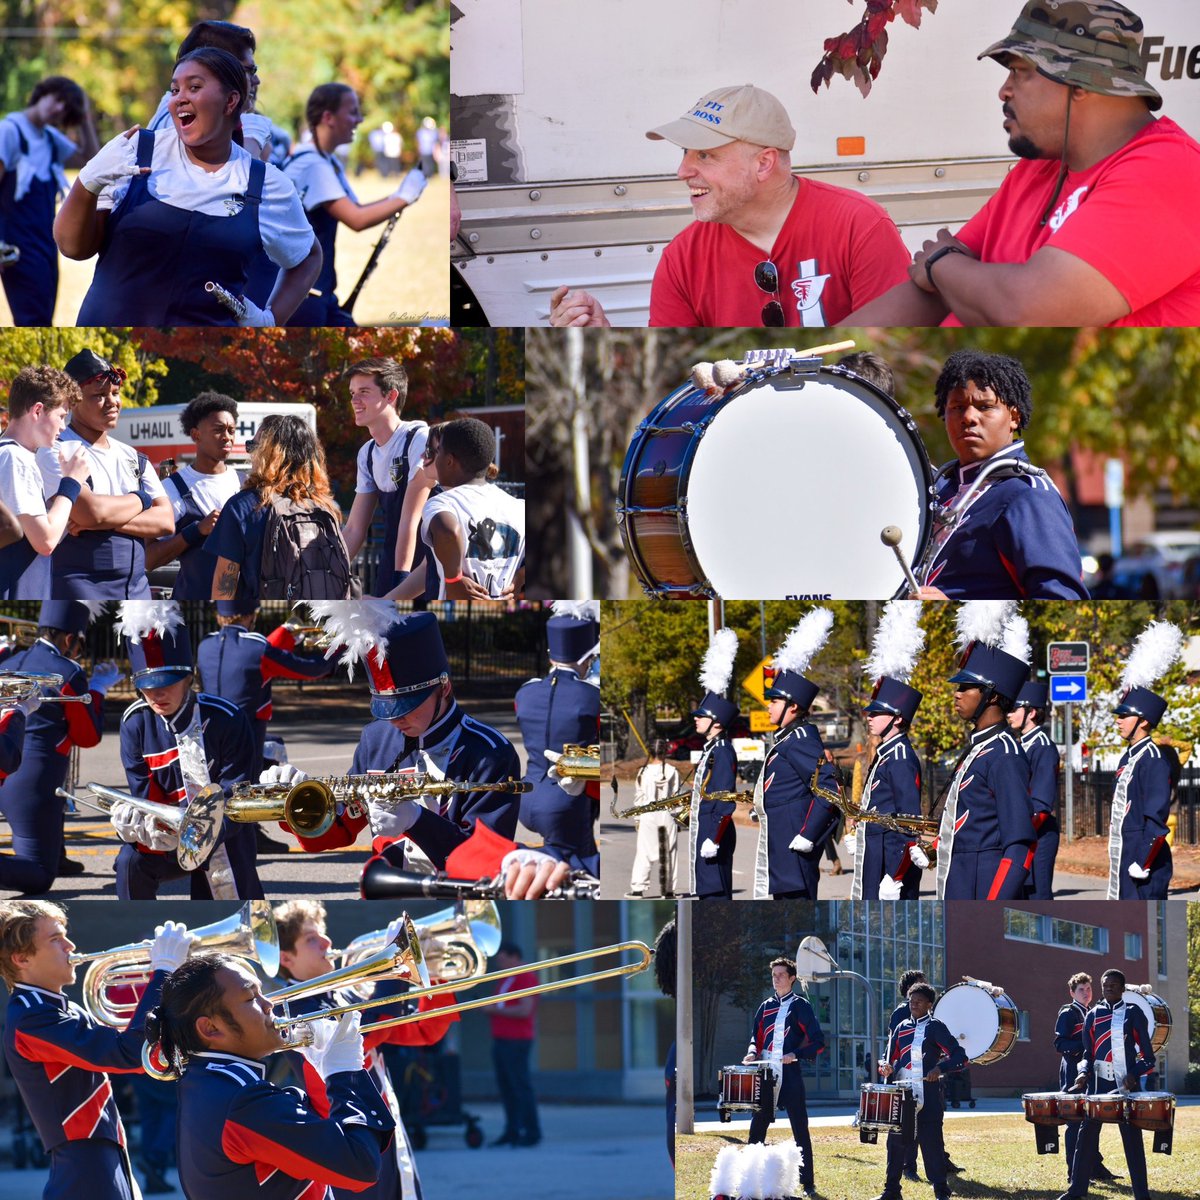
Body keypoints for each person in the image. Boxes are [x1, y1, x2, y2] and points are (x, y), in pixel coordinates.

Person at [846, 1, 1200, 328]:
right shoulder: (1040, 169)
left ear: (1080, 81)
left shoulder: (1170, 170)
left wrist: (941, 264)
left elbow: (1027, 309)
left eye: (1020, 71)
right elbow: (931, 292)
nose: (1005, 90)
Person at [549, 84, 908, 328]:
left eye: (705, 155)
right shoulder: (682, 259)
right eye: (685, 154)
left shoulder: (860, 226)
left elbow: (885, 357)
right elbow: (681, 381)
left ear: (764, 163)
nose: (683, 171)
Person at [54, 48, 320, 326]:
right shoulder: (134, 151)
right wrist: (87, 183)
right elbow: (73, 248)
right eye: (174, 89)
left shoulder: (266, 184)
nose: (179, 98)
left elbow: (308, 256)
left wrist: (270, 321)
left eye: (194, 87)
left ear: (230, 101)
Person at [264, 604, 522, 877]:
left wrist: (418, 821)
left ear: (444, 686)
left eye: (408, 704)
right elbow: (337, 831)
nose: (396, 719)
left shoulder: (490, 753)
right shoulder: (376, 738)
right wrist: (301, 802)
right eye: (387, 706)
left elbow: (488, 863)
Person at [149, 953, 395, 1200]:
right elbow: (360, 1167)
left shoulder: (209, 1081)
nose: (268, 1005)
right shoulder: (243, 1101)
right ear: (210, 1028)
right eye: (250, 998)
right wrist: (346, 1073)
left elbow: (323, 1136)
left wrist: (321, 1069)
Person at [0, 900, 194, 1200]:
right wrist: (163, 973)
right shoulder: (32, 1018)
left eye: (65, 934)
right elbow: (130, 1053)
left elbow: (142, 1054)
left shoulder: (58, 1006)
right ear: (21, 958)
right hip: (84, 1166)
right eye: (55, 939)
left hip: (103, 1155)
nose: (70, 945)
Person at [272, 900, 457, 1200]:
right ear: (286, 958)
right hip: (347, 1134)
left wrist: (435, 973)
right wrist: (395, 969)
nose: (327, 942)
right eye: (311, 939)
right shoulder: (291, 1008)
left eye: (323, 933)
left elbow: (424, 1031)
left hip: (385, 1129)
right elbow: (368, 1031)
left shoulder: (344, 993)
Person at [113, 600, 262, 901]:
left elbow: (237, 798)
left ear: (189, 677)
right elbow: (144, 796)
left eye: (167, 682)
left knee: (231, 893)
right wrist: (138, 824)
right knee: (130, 863)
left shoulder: (226, 719)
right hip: (166, 836)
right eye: (146, 684)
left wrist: (197, 832)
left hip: (224, 835)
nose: (156, 694)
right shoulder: (135, 724)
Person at [914, 351, 1088, 599]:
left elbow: (1062, 604)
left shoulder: (1029, 495)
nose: (968, 418)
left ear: (1014, 417)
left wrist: (954, 612)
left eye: (985, 407)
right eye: (957, 407)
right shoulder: (943, 488)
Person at [268, 84, 426, 325]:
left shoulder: (325, 160)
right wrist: (404, 197)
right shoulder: (313, 165)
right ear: (328, 118)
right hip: (304, 293)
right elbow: (357, 219)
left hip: (316, 289)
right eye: (352, 112)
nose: (359, 119)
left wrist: (400, 195)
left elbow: (358, 209)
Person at [0, 602, 120, 892]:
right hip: (35, 780)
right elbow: (87, 736)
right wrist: (99, 690)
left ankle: (58, 854)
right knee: (40, 875)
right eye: (80, 642)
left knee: (46, 846)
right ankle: (50, 858)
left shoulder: (7, 663)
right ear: (70, 639)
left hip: (6, 770)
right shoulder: (68, 670)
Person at [918, 602, 1034, 900]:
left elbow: (1019, 845)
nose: (956, 694)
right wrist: (934, 847)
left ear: (992, 695)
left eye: (967, 687)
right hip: (960, 882)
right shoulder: (980, 747)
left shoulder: (1004, 754)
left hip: (984, 889)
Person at [37, 349, 173, 600]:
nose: (112, 402)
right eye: (99, 395)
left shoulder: (133, 456)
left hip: (137, 588)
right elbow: (90, 512)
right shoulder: (57, 448)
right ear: (72, 401)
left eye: (115, 393)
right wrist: (141, 500)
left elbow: (166, 521)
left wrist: (100, 521)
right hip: (77, 584)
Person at [206, 413, 353, 606]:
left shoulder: (242, 507)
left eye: (252, 446)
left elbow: (224, 586)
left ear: (267, 454)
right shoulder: (325, 506)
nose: (250, 454)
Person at [752, 610, 841, 899]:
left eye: (774, 701)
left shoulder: (800, 738)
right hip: (781, 850)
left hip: (795, 848)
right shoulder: (787, 738)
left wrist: (808, 834)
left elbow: (827, 789)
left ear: (792, 706)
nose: (768, 706)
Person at [386, 417, 524, 602]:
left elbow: (448, 531)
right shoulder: (518, 506)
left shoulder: (441, 503)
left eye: (434, 451)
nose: (423, 457)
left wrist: (454, 579)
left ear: (449, 460)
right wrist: (521, 576)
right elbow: (430, 567)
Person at [196, 605, 337, 786]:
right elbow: (309, 668)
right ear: (251, 615)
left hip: (209, 733)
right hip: (247, 735)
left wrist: (284, 636)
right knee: (244, 793)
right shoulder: (257, 647)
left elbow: (242, 660)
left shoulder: (205, 645)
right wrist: (336, 650)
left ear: (218, 616)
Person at [0, 76, 99, 325]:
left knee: (44, 318)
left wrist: (84, 116)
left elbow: (93, 161)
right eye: (58, 100)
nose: (58, 110)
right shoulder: (10, 131)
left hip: (46, 244)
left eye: (66, 109)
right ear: (44, 92)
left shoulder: (49, 138)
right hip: (17, 246)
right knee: (32, 320)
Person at [514, 601, 601, 877]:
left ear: (551, 653)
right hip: (565, 803)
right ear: (588, 658)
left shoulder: (524, 693)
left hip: (526, 799)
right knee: (580, 874)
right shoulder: (592, 696)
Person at [338, 357, 433, 596]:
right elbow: (353, 530)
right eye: (352, 393)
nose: (354, 401)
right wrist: (326, 572)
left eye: (364, 392)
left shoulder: (419, 438)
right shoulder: (367, 453)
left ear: (391, 396)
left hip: (431, 560)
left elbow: (410, 521)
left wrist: (401, 583)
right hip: (393, 558)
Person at [1058, 969, 1154, 1200]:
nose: (1108, 988)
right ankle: (1076, 1191)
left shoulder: (1133, 1012)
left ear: (1122, 988)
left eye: (1113, 985)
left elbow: (1149, 1058)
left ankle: (1142, 1194)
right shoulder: (1093, 1015)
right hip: (1098, 1088)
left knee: (1132, 1142)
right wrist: (1083, 1073)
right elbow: (1088, 1055)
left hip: (1126, 1088)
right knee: (1085, 1139)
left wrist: (1134, 1074)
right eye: (1105, 985)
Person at [854, 600, 926, 901]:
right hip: (876, 849)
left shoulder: (899, 757)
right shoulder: (887, 751)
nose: (869, 718)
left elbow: (908, 822)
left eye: (877, 713)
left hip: (890, 860)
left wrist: (896, 875)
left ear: (897, 718)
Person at [0, 366, 91, 600]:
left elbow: (30, 535)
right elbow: (45, 541)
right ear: (38, 410)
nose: (63, 427)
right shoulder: (16, 458)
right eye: (61, 416)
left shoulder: (12, 455)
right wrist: (71, 483)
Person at [1107, 621, 1182, 899]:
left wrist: (1142, 861)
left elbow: (1155, 819)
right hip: (1125, 857)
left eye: (1124, 716)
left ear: (1144, 721)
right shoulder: (1129, 756)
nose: (1118, 721)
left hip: (1143, 864)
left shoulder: (1153, 759)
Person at [872, 982, 966, 1200]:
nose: (913, 1004)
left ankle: (941, 1191)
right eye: (911, 1001)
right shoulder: (901, 1026)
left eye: (919, 1001)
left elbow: (960, 1056)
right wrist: (885, 1067)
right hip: (901, 1093)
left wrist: (939, 1068)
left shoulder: (936, 1027)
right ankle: (891, 1191)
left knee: (931, 1143)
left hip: (928, 1092)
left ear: (929, 1004)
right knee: (895, 1143)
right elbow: (888, 1057)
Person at [145, 392, 243, 599]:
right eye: (218, 430)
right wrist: (196, 530)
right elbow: (149, 559)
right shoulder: (170, 489)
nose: (227, 437)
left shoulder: (246, 484)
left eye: (232, 430)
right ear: (196, 435)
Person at [743, 956, 823, 1198]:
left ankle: (807, 1182)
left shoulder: (801, 1006)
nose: (776, 978)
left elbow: (818, 1042)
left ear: (792, 978)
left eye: (780, 975)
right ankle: (750, 1178)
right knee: (758, 1125)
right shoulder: (765, 1006)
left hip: (790, 1072)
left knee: (800, 1127)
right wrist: (751, 1051)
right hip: (765, 1071)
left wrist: (795, 1053)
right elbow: (755, 1036)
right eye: (773, 975)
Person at [145, 20, 271, 160]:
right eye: (250, 70)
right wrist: (253, 138)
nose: (256, 80)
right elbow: (242, 175)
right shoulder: (184, 125)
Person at [685, 628, 739, 900]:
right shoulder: (712, 749)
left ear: (716, 721)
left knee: (716, 897)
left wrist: (715, 838)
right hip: (706, 831)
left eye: (701, 716)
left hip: (713, 834)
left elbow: (725, 800)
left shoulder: (723, 750)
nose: (696, 719)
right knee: (707, 893)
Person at [1054, 972, 1117, 1187]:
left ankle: (1095, 1168)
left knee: (1092, 1122)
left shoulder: (1093, 1012)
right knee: (1075, 1124)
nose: (1086, 992)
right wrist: (1085, 1049)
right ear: (1072, 992)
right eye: (1081, 989)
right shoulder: (1068, 1013)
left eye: (1089, 988)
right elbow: (1060, 1044)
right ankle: (1074, 1174)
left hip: (1091, 1074)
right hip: (1074, 1074)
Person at [1007, 672, 1060, 900]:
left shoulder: (1043, 747)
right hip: (1020, 832)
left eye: (1014, 708)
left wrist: (1018, 833)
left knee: (1037, 897)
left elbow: (1041, 804)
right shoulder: (1019, 745)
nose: (1008, 714)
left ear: (1032, 712)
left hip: (1038, 834)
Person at [489, 941, 542, 1147]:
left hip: (517, 1040)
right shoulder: (505, 978)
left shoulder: (526, 976)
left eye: (502, 958)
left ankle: (531, 1131)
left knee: (520, 1086)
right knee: (507, 1088)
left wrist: (493, 1010)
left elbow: (524, 1010)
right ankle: (512, 1130)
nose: (499, 963)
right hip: (501, 1038)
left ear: (514, 957)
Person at [627, 741, 680, 899]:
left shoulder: (643, 772)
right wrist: (677, 817)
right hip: (667, 813)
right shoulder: (672, 771)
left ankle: (638, 888)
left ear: (650, 751)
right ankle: (668, 890)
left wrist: (637, 818)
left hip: (647, 814)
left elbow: (639, 796)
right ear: (666, 752)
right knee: (669, 852)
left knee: (644, 852)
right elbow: (676, 797)